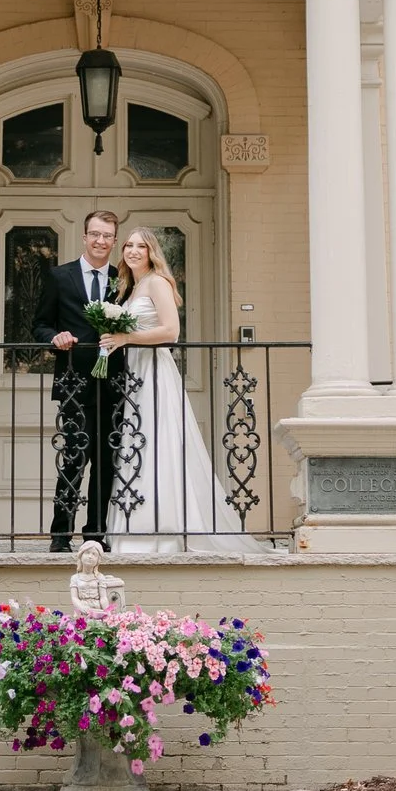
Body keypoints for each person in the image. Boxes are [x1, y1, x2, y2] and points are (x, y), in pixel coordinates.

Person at [97, 228, 266, 554]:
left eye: (141, 246)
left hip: (154, 369)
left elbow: (171, 331)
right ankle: (133, 527)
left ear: (151, 252)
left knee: (157, 440)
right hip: (134, 371)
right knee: (137, 443)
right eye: (128, 245)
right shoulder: (130, 287)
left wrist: (126, 338)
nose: (133, 251)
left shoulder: (157, 282)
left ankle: (164, 530)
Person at [32, 209, 126, 553]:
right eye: (95, 234)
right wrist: (54, 337)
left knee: (106, 462)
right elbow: (40, 324)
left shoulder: (122, 279)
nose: (100, 241)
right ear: (85, 237)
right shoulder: (60, 276)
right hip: (74, 382)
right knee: (74, 457)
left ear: (114, 241)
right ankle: (61, 534)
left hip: (114, 383)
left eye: (107, 236)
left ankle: (95, 534)